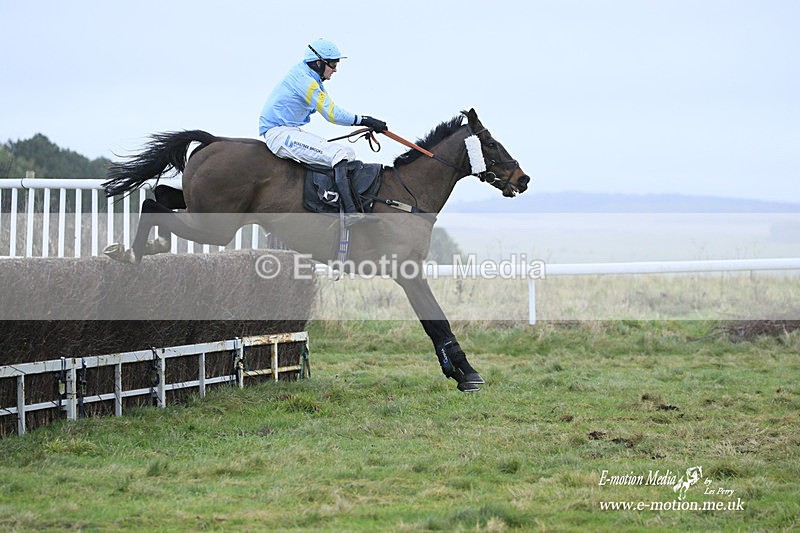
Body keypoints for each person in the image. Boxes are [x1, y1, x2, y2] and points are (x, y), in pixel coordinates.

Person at [259, 38, 387, 224]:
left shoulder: (312, 78)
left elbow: (331, 109)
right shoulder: (305, 81)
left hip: (290, 130)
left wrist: (365, 121)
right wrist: (365, 119)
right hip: (279, 134)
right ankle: (349, 213)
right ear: (319, 63)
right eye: (333, 64)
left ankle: (333, 199)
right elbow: (332, 114)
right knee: (339, 154)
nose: (335, 70)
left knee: (348, 152)